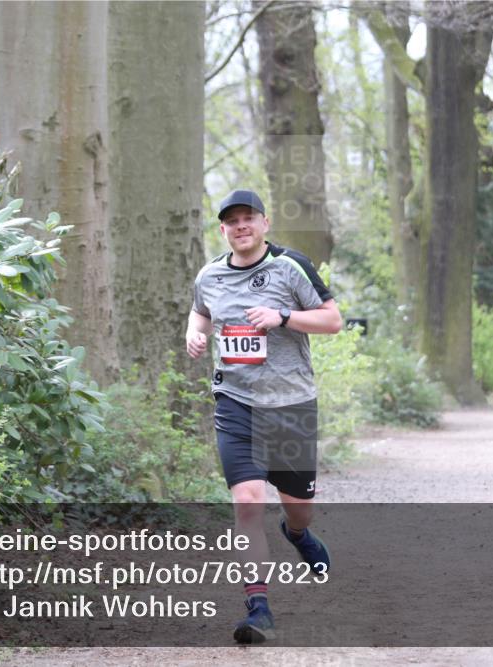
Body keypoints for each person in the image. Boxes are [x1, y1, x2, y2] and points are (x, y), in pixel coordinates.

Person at [186, 189, 342, 644]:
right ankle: (258, 606)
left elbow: (333, 320)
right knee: (248, 500)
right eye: (232, 221)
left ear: (264, 223)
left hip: (291, 406)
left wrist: (283, 316)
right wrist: (194, 337)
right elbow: (199, 316)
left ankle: (297, 535)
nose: (241, 226)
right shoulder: (209, 276)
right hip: (236, 404)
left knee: (300, 510)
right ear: (223, 230)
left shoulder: (290, 267)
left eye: (248, 218)